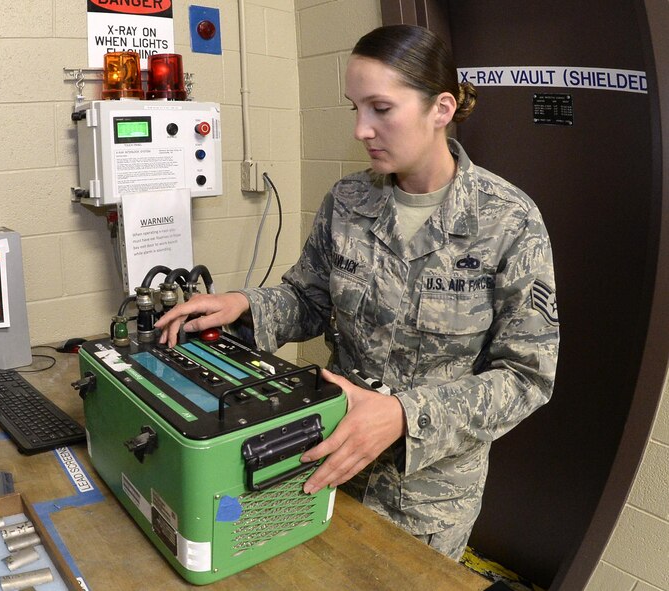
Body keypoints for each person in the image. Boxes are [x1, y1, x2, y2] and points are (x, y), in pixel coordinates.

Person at [155, 24, 559, 560]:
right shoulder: (348, 200)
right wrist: (245, 305)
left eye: (381, 108)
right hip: (325, 461)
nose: (362, 130)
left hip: (426, 501)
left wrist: (403, 415)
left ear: (441, 108)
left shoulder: (508, 221)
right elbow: (309, 300)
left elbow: (526, 376)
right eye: (355, 109)